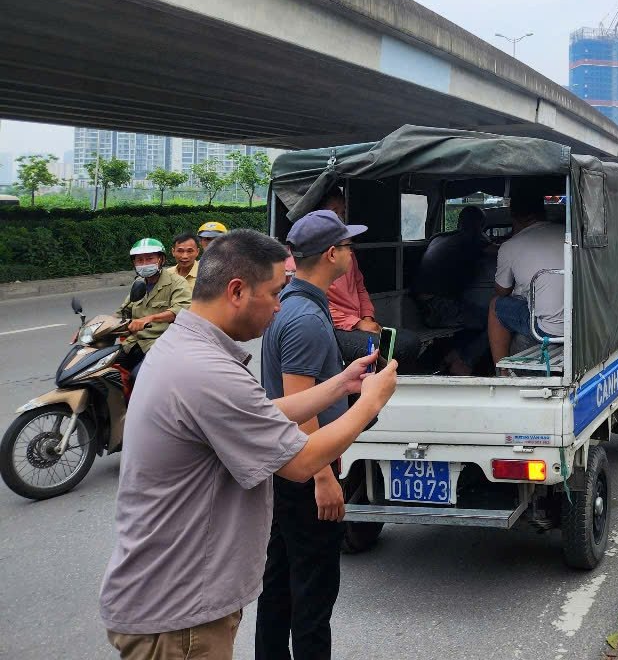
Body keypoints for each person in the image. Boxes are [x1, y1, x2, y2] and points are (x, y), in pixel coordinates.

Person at [99, 230, 398, 660]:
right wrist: (369, 403)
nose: (279, 305)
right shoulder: (206, 370)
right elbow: (301, 461)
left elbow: (258, 414)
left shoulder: (185, 347)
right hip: (179, 617)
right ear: (237, 291)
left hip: (173, 601)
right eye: (275, 293)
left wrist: (340, 385)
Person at [256, 210, 369, 659]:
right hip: (305, 471)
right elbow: (299, 405)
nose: (352, 253)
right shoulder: (305, 317)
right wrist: (323, 477)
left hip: (287, 468)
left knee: (281, 581)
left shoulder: (294, 303)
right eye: (348, 246)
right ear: (330, 254)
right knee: (313, 592)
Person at [488, 183, 566, 364]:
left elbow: (502, 291)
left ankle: (502, 371)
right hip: (581, 322)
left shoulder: (509, 246)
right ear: (543, 212)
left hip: (548, 330)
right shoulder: (569, 234)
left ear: (513, 216)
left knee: (495, 306)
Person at [413, 205, 496, 374]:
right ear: (480, 226)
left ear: (459, 222)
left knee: (473, 320)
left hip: (423, 306)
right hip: (440, 308)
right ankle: (465, 362)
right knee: (495, 321)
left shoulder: (439, 237)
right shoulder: (472, 238)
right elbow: (499, 250)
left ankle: (453, 355)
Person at [319, 188, 383, 363]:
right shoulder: (314, 255)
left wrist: (367, 318)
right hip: (336, 327)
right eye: (335, 212)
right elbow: (318, 306)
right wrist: (357, 323)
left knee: (402, 340)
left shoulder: (347, 252)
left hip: (357, 321)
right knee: (400, 345)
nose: (340, 218)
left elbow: (359, 287)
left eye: (343, 213)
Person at [118, 238, 192, 373]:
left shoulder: (177, 283)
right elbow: (123, 310)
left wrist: (149, 318)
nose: (144, 264)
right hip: (134, 342)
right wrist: (97, 326)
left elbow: (179, 310)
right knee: (105, 368)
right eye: (139, 260)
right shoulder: (139, 283)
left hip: (162, 344)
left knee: (138, 376)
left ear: (161, 260)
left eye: (149, 259)